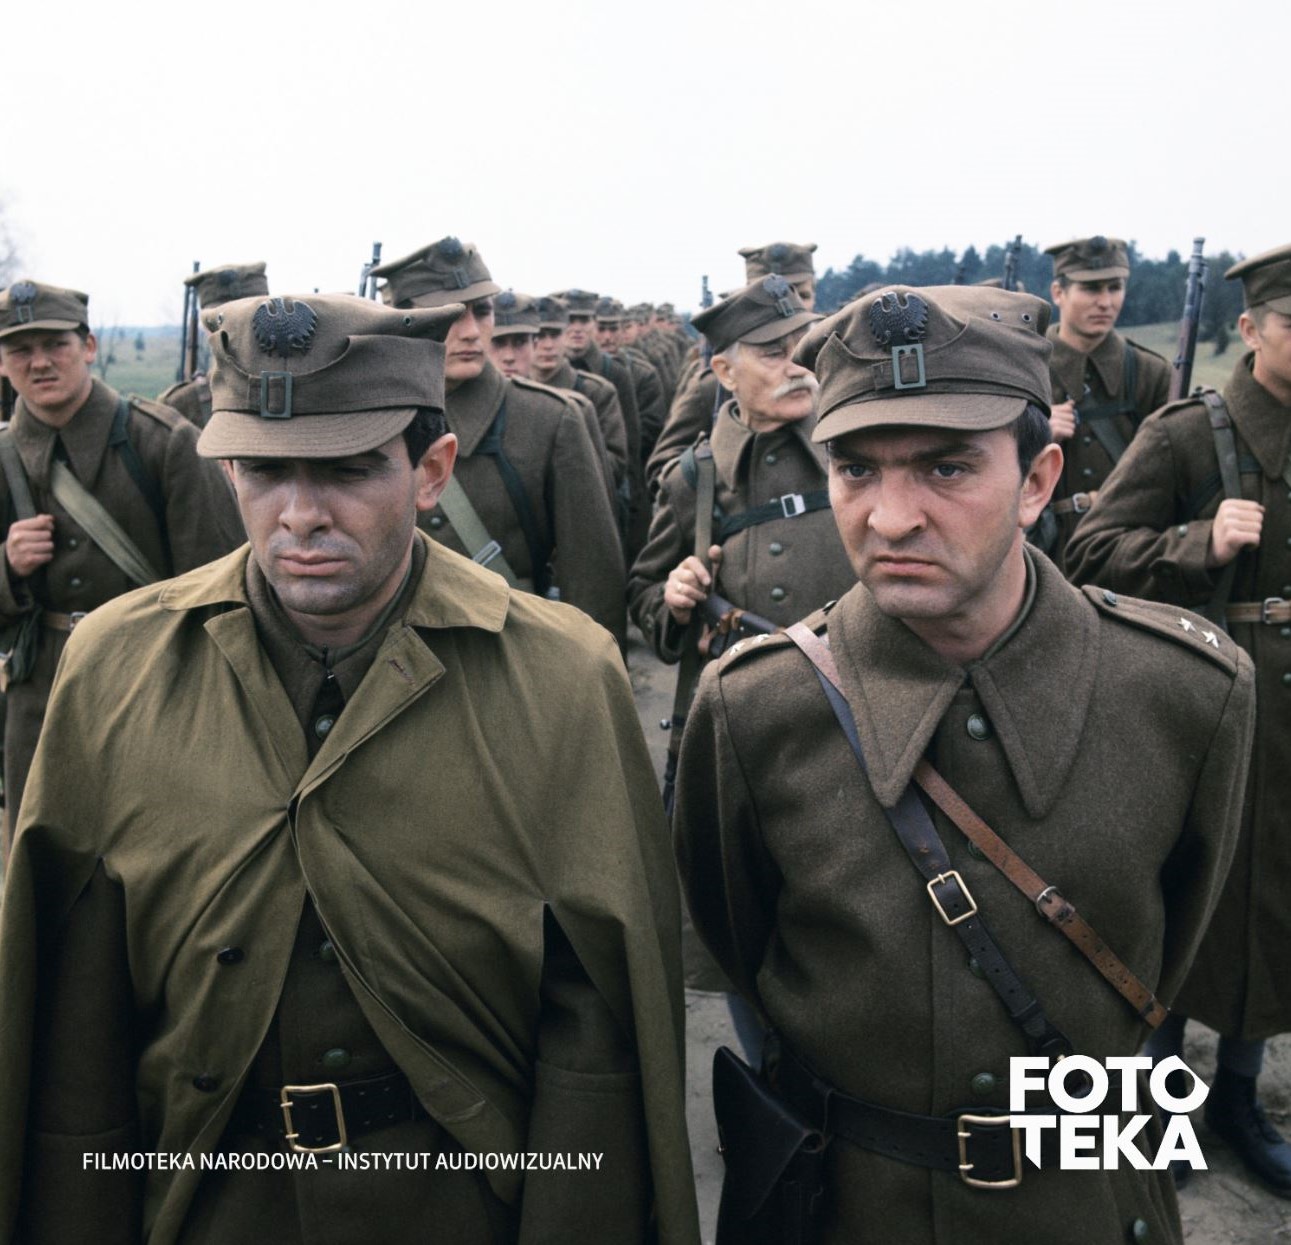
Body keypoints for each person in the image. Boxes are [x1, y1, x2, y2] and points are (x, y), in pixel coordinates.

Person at [0, 292, 699, 1244]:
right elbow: (75, 1008)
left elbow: (597, 1020)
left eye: (347, 468)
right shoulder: (118, 666)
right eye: (263, 470)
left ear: (431, 470)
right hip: (198, 1198)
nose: (299, 515)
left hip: (459, 1203)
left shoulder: (560, 675)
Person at [673, 284, 1254, 1243]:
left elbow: (1168, 951)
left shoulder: (1185, 692)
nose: (890, 518)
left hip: (1087, 1200)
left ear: (1036, 480)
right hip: (853, 1206)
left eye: (946, 467)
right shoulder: (754, 708)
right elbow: (745, 952)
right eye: (855, 468)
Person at [1066, 242, 1291, 1197]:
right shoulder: (1188, 432)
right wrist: (1198, 541)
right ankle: (1158, 1099)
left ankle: (1237, 1095)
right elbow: (1087, 553)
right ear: (1249, 329)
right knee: (1182, 895)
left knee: (1278, 904)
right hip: (1204, 699)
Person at [0, 279, 243, 846]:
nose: (40, 363)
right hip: (39, 695)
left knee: (158, 846)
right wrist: (8, 567)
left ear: (87, 347)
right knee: (44, 856)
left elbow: (224, 585)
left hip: (151, 681)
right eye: (20, 350)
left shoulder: (162, 442)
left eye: (55, 345)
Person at [372, 240, 626, 646]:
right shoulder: (366, 420)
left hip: (509, 654)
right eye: (451, 314)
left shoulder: (549, 419)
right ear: (400, 319)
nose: (472, 331)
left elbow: (593, 583)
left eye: (482, 311)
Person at [1034, 236, 1170, 568]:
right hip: (1043, 553)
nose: (1106, 302)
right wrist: (1036, 435)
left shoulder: (1152, 373)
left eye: (1115, 287)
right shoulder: (1027, 367)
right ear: (1058, 293)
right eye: (1091, 289)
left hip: (1129, 556)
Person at [646, 242, 818, 491]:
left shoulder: (829, 364)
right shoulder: (709, 384)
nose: (789, 303)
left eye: (802, 295)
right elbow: (665, 475)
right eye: (772, 353)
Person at [158, 262, 270, 428]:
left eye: (247, 318)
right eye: (221, 320)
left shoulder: (298, 396)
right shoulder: (180, 405)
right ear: (206, 326)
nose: (235, 329)